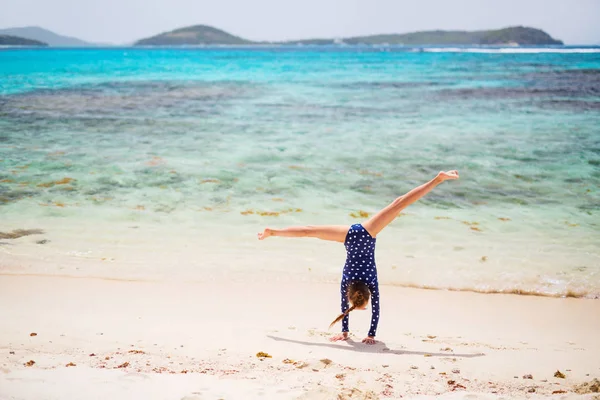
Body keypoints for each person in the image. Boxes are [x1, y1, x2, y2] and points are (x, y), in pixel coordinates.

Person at [258, 170, 459, 344]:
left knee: (398, 205)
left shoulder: (371, 282)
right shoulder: (347, 284)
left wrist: (369, 334)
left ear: (365, 295)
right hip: (349, 235)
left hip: (366, 233)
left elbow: (376, 310)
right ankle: (273, 232)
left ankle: (437, 179)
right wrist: (348, 332)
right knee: (309, 231)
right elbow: (345, 307)